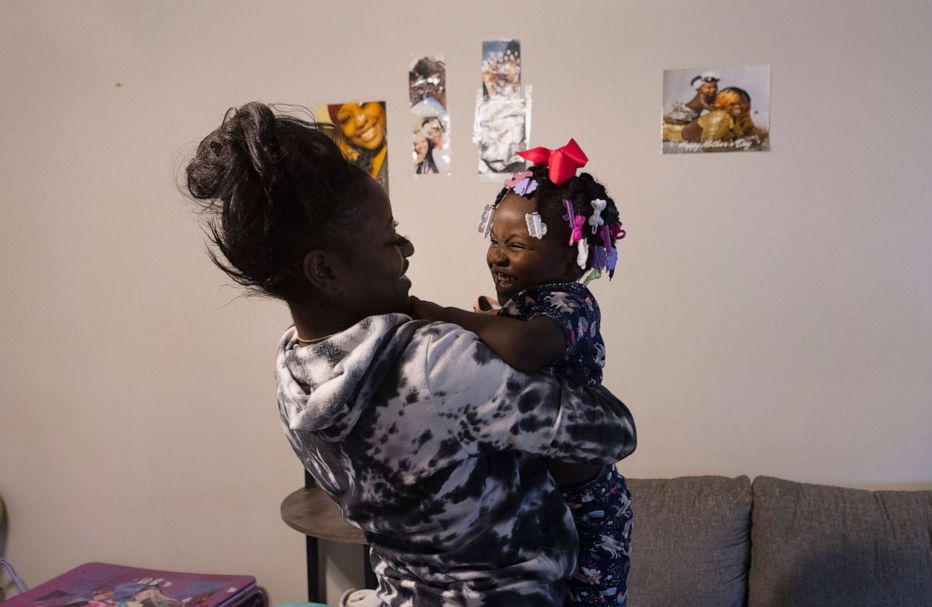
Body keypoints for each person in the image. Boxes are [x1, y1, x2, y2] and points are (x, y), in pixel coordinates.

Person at [185, 104, 636, 607]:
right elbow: (615, 431)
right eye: (388, 238)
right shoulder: (437, 364)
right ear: (324, 271)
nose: (408, 247)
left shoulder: (291, 371)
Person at [411, 139, 631, 606]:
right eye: (493, 240)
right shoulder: (522, 306)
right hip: (537, 491)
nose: (497, 256)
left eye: (516, 245)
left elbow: (530, 349)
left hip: (587, 502)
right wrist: (493, 319)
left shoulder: (571, 302)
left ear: (571, 258)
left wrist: (441, 313)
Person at [681, 86, 768, 150]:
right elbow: (709, 146)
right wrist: (744, 144)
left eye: (742, 103)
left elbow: (750, 130)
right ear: (723, 104)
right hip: (678, 137)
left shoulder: (743, 113)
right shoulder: (719, 118)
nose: (738, 107)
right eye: (732, 104)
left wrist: (766, 135)